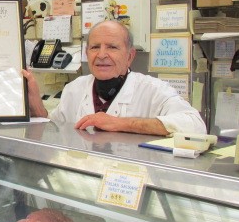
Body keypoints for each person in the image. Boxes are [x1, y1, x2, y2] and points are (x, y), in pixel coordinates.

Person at [24, 20, 206, 136]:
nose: (102, 55)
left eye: (112, 47)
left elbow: (196, 126)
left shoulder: (153, 90)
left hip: (131, 180)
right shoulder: (75, 88)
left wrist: (120, 123)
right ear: (87, 53)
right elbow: (54, 130)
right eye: (95, 47)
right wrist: (35, 104)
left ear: (130, 56)